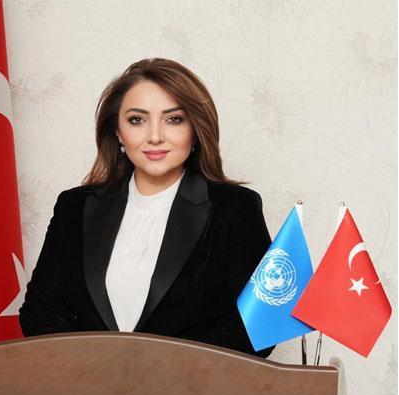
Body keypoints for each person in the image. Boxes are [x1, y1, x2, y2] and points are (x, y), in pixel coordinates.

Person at [18, 58, 274, 357]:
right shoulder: (74, 207)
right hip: (86, 383)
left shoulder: (235, 208)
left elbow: (258, 326)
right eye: (137, 120)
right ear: (117, 131)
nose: (154, 136)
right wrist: (88, 366)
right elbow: (41, 309)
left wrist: (158, 372)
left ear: (195, 129)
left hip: (193, 386)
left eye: (173, 119)